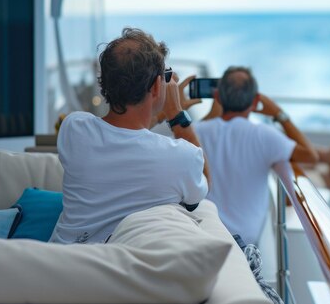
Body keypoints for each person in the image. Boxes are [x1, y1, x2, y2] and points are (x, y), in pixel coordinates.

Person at [50, 28, 210, 244]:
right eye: (165, 76)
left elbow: (126, 133)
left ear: (103, 82)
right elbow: (203, 184)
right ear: (155, 86)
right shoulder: (180, 158)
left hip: (56, 261)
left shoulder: (74, 128)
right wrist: (176, 115)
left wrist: (161, 113)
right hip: (108, 271)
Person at [192, 66, 330, 246]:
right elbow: (310, 156)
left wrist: (211, 113)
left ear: (217, 97)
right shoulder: (264, 135)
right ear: (256, 100)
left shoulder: (196, 131)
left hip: (205, 233)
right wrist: (279, 114)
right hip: (245, 242)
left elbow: (193, 134)